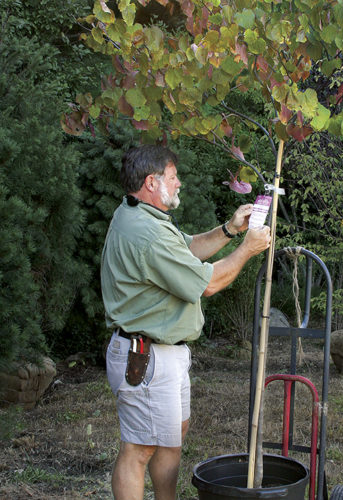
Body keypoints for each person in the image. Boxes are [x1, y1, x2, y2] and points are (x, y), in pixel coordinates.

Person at [101, 144, 271, 500]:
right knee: (138, 449)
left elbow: (188, 250)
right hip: (145, 357)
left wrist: (229, 230)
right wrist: (247, 250)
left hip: (162, 355)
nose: (179, 184)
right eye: (173, 177)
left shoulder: (143, 217)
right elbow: (207, 284)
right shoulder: (145, 232)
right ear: (152, 182)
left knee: (170, 440)